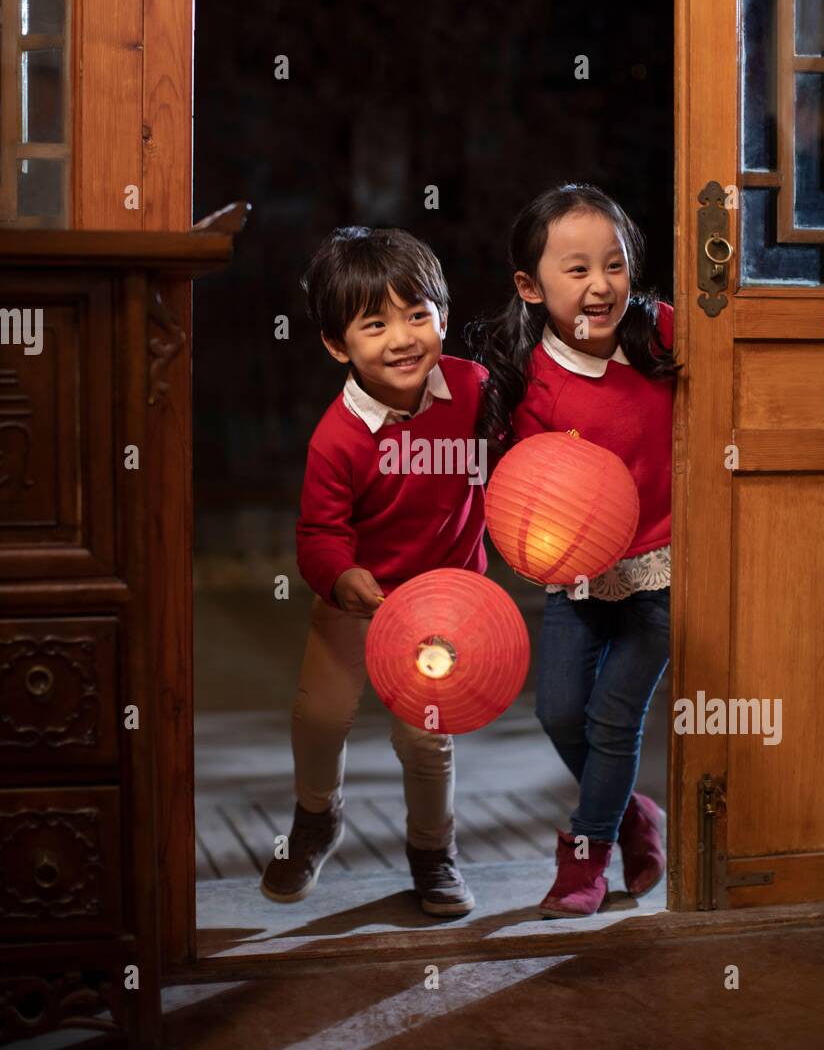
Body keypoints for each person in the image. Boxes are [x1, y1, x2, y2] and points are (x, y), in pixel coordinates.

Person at [260, 226, 487, 915]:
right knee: (320, 718)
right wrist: (340, 576)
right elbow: (318, 534)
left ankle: (432, 851)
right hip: (357, 600)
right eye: (375, 323)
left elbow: (539, 442)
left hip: (439, 606)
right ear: (338, 345)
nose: (403, 338)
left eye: (419, 314)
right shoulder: (337, 438)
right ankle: (317, 817)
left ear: (443, 316)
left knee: (424, 736)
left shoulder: (475, 390)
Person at [467, 182, 680, 917]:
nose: (601, 285)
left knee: (614, 720)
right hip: (581, 579)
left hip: (662, 569)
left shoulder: (664, 338)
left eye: (615, 265)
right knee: (559, 714)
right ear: (530, 286)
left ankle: (583, 859)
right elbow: (525, 490)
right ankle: (635, 818)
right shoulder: (530, 380)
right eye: (577, 268)